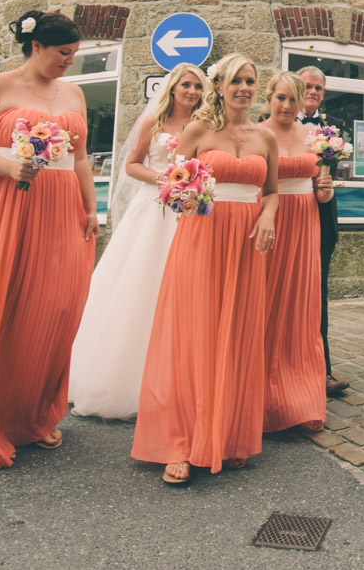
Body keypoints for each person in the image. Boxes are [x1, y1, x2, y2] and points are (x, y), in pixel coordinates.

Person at [0, 10, 97, 470]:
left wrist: (91, 208)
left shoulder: (74, 94)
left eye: (74, 54)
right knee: (7, 307)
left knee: (56, 310)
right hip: (8, 207)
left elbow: (81, 157)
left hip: (62, 211)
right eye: (63, 54)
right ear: (36, 47)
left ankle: (35, 415)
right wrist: (10, 167)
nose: (69, 62)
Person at [132, 53, 279, 485]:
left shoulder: (265, 137)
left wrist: (268, 215)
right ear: (220, 86)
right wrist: (186, 198)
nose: (244, 89)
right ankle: (180, 442)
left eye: (250, 81)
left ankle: (227, 434)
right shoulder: (198, 131)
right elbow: (174, 186)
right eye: (236, 80)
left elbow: (270, 192)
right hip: (202, 236)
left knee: (235, 333)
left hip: (247, 243)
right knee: (193, 334)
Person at [68, 62, 206, 420]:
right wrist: (167, 179)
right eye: (186, 85)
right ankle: (125, 378)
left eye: (198, 87)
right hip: (153, 210)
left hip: (188, 210)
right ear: (173, 88)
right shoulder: (153, 123)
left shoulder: (204, 126)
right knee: (142, 284)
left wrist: (191, 186)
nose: (192, 92)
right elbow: (131, 165)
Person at [259, 71, 330, 433]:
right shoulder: (257, 134)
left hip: (304, 222)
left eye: (293, 99)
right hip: (268, 222)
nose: (286, 106)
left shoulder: (313, 136)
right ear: (269, 99)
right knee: (267, 305)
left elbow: (320, 186)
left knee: (301, 308)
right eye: (280, 98)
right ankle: (262, 399)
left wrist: (326, 191)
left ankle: (300, 398)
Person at [298, 65, 349, 396]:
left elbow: (341, 169)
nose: (313, 91)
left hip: (321, 219)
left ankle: (323, 371)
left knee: (318, 296)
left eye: (319, 88)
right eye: (307, 86)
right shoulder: (269, 126)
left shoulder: (333, 129)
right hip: (288, 217)